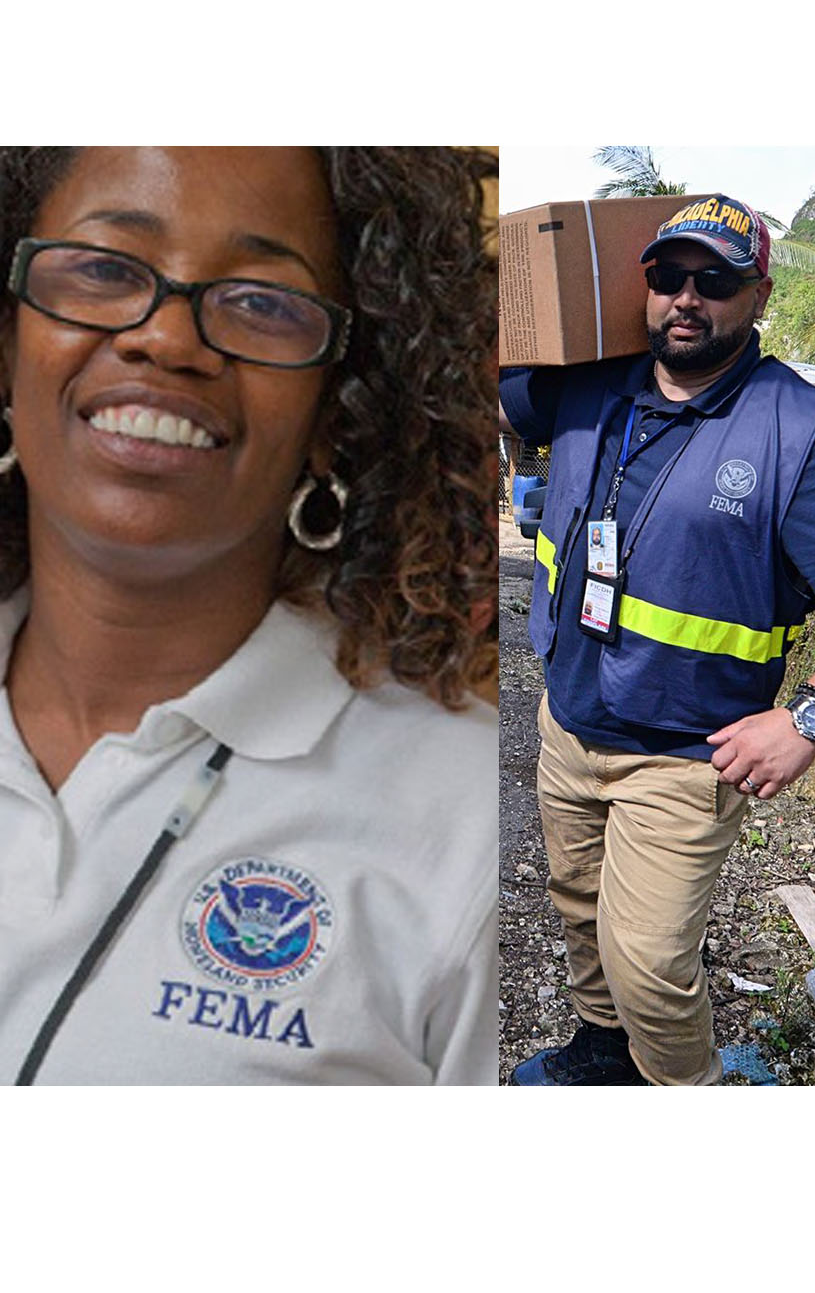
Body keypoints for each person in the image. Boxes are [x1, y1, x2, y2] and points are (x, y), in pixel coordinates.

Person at [0, 146, 498, 1084]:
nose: (168, 340)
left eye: (263, 301)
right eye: (105, 268)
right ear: (8, 339)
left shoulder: (461, 822)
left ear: (334, 413)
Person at [501, 193, 815, 1086]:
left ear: (758, 294)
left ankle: (683, 1086)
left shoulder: (797, 430)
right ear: (645, 286)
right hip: (569, 721)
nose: (686, 299)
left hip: (685, 757)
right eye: (668, 277)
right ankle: (600, 1049)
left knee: (652, 966)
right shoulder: (587, 384)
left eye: (717, 281)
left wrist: (811, 720)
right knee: (579, 910)